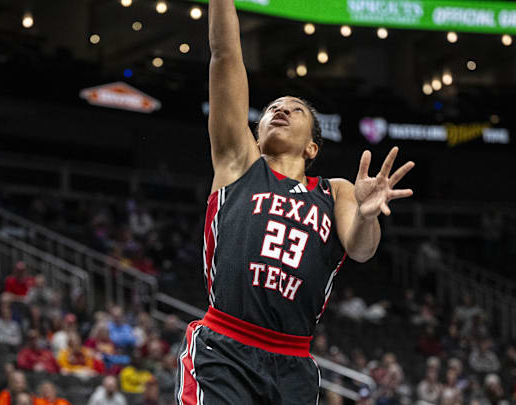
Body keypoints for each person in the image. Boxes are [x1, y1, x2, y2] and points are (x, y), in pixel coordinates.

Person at [175, 1, 415, 404]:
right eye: (272, 109)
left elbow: (360, 248)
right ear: (256, 131)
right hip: (225, 347)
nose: (281, 109)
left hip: (293, 364)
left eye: (295, 108)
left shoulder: (335, 190)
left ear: (311, 147)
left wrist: (369, 216)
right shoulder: (239, 164)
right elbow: (225, 54)